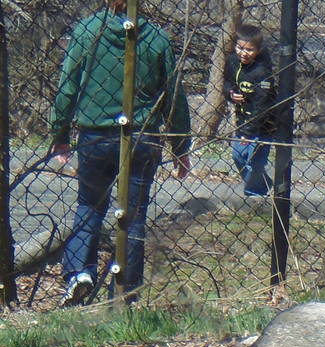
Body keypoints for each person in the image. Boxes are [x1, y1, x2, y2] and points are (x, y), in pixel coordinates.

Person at [49, 0, 191, 305]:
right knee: (134, 216)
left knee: (89, 205)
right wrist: (181, 146)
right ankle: (125, 291)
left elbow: (68, 86)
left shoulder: (88, 31)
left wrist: (59, 133)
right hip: (143, 137)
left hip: (95, 135)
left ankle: (79, 273)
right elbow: (174, 95)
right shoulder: (156, 38)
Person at [225, 24, 276, 200]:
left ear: (258, 50)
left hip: (263, 126)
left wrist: (248, 133)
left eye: (249, 50)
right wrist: (230, 94)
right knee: (238, 156)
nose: (243, 53)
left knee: (256, 162)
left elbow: (261, 107)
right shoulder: (232, 62)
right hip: (243, 120)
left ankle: (255, 197)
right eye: (240, 48)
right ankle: (264, 184)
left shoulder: (262, 72)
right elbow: (226, 83)